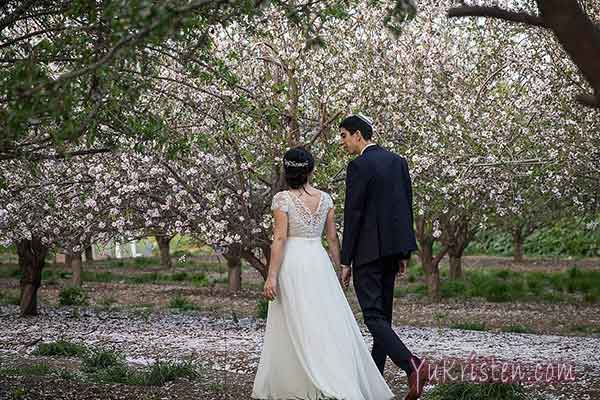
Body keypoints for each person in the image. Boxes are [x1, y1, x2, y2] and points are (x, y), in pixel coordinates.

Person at [252, 147, 394, 400]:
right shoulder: (325, 198)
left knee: (294, 319)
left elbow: (281, 238)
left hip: (293, 263)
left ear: (287, 172)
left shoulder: (282, 199)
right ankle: (329, 373)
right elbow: (331, 238)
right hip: (318, 262)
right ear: (310, 170)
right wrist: (341, 267)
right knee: (324, 319)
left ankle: (300, 380)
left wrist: (271, 275)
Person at [339, 114, 430, 400]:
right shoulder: (398, 161)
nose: (342, 143)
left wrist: (345, 259)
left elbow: (352, 214)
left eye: (343, 136)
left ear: (357, 135)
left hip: (367, 253)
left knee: (373, 317)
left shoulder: (358, 166)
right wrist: (403, 252)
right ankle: (375, 386)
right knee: (383, 320)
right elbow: (405, 205)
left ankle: (412, 364)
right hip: (392, 251)